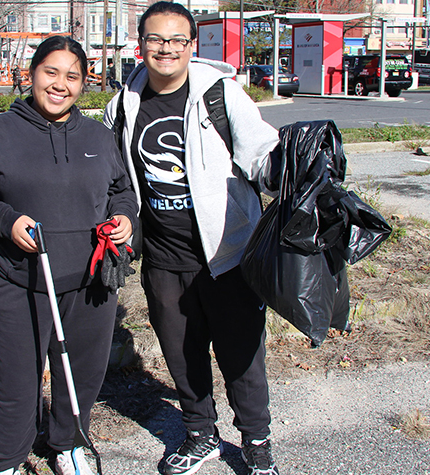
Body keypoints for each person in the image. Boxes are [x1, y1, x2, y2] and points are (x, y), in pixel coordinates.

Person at [103, 2, 281, 475]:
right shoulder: (121, 105)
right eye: (156, 40)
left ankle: (257, 443)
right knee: (182, 353)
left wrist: (283, 169)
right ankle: (200, 433)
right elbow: (112, 176)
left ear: (191, 45)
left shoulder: (220, 94)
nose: (166, 49)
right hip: (163, 256)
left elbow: (259, 149)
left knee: (241, 352)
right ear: (140, 44)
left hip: (227, 252)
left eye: (177, 40)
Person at [0, 36, 137, 475]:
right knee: (15, 377)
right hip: (18, 278)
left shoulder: (98, 136)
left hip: (91, 280)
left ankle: (68, 445)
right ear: (32, 74)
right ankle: (6, 460)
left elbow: (120, 191)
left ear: (84, 83)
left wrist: (124, 217)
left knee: (83, 373)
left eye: (72, 76)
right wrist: (6, 221)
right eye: (51, 72)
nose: (60, 84)